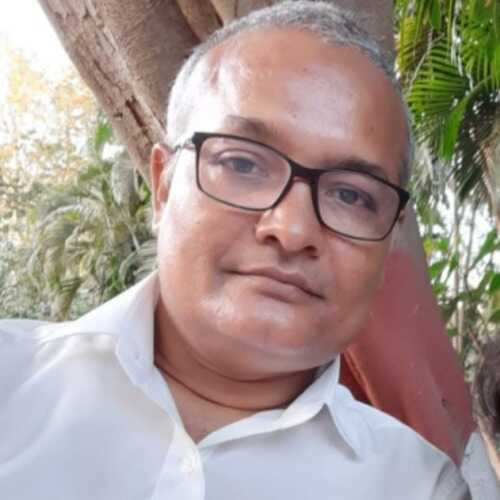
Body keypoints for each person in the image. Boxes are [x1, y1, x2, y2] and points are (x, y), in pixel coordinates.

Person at [0, 1, 498, 499]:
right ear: (163, 187)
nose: (293, 229)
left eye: (351, 195)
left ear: (388, 242)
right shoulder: (12, 381)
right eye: (243, 164)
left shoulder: (417, 487)